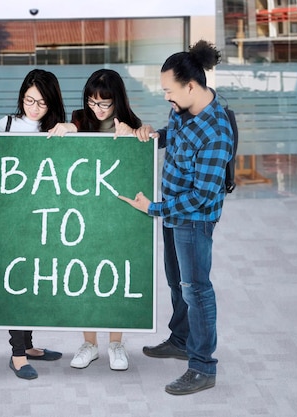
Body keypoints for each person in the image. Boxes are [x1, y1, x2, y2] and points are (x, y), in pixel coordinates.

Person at [120, 40, 234, 395]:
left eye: (169, 90)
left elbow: (201, 197)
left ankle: (202, 366)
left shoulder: (216, 132)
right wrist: (154, 137)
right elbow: (176, 137)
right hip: (172, 211)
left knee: (197, 289)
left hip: (193, 220)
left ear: (190, 85)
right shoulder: (183, 109)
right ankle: (181, 338)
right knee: (176, 281)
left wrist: (152, 209)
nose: (166, 96)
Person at [0, 69, 66, 379]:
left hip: (46, 219)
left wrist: (69, 128)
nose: (34, 107)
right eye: (29, 100)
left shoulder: (56, 129)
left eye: (41, 102)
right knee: (18, 284)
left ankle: (28, 345)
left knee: (35, 284)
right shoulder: (9, 124)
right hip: (13, 219)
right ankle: (16, 355)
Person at [52, 69, 142, 371]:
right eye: (93, 102)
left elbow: (143, 157)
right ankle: (89, 343)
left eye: (105, 104)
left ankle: (116, 342)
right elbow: (73, 127)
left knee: (116, 274)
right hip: (81, 210)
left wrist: (134, 134)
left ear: (118, 101)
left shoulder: (131, 124)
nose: (99, 109)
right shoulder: (81, 117)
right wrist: (66, 128)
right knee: (83, 275)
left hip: (116, 214)